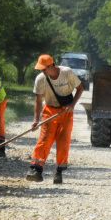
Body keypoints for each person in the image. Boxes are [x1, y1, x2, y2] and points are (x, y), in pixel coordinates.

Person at [27, 52, 85, 183]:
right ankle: (36, 169)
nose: (42, 71)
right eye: (40, 69)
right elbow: (38, 101)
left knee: (63, 140)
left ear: (51, 65)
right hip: (49, 111)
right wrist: (36, 120)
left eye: (43, 68)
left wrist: (72, 105)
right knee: (45, 139)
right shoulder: (40, 79)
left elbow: (80, 88)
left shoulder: (67, 72)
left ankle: (59, 172)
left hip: (66, 112)